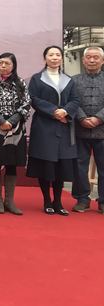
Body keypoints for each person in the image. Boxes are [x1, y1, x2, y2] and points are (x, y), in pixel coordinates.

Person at [27, 45, 79, 216]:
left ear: (62, 58)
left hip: (64, 126)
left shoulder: (69, 80)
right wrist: (54, 111)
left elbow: (75, 100)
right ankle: (47, 200)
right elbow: (33, 99)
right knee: (45, 165)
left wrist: (65, 111)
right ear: (45, 58)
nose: (55, 57)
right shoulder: (37, 78)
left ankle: (58, 201)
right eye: (51, 55)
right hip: (44, 126)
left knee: (61, 167)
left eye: (58, 55)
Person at [0, 53, 31, 215]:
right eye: (0, 63)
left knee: (12, 163)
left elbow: (26, 103)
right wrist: (1, 120)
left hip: (15, 129)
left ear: (14, 66)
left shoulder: (20, 83)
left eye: (7, 63)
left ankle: (9, 201)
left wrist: (13, 121)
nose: (3, 66)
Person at [71, 46, 104, 214]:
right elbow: (71, 101)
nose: (92, 60)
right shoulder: (74, 80)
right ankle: (82, 199)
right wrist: (82, 117)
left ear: (102, 61)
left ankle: (103, 201)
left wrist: (99, 118)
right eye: (89, 57)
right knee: (79, 166)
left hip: (102, 130)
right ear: (83, 61)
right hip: (80, 129)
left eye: (96, 57)